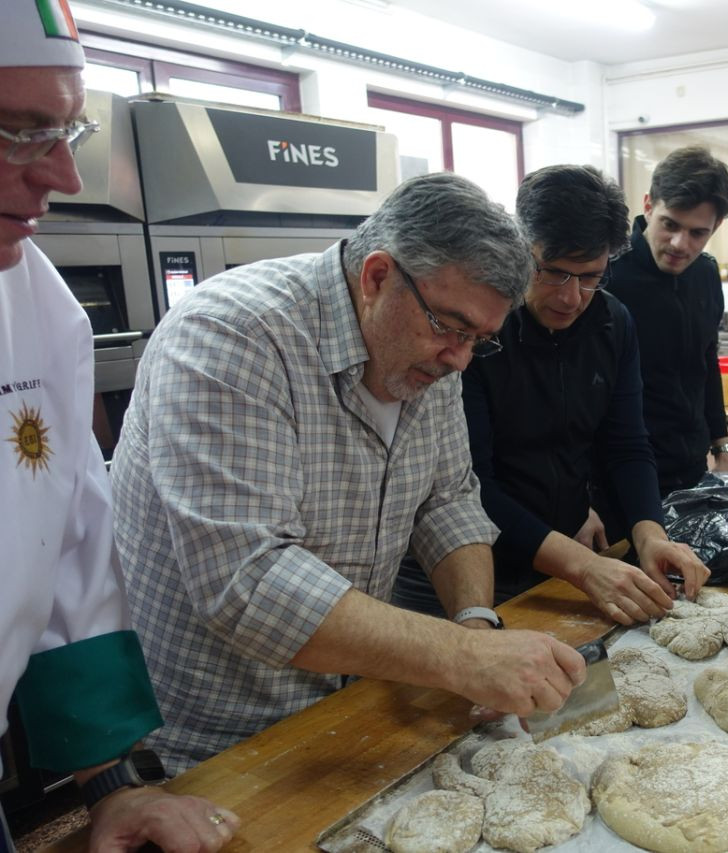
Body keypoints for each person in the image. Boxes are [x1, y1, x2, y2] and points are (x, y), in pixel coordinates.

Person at [110, 172, 586, 773]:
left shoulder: (430, 351)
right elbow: (248, 580)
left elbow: (448, 500)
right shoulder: (234, 336)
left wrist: (474, 621)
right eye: (451, 327)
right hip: (217, 741)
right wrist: (461, 656)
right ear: (377, 277)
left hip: (349, 709)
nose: (461, 359)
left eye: (480, 340)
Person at [0, 2, 239, 849]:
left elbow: (62, 550)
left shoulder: (37, 308)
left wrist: (110, 782)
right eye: (20, 133)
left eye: (68, 131)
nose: (64, 176)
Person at [456, 164, 710, 622]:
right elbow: (469, 485)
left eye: (591, 276)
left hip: (565, 560)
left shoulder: (612, 322)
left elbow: (626, 444)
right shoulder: (480, 327)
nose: (571, 297)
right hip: (474, 566)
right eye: (553, 273)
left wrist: (649, 534)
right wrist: (583, 566)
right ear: (520, 248)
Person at [609, 146, 728, 495]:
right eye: (670, 225)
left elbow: (706, 361)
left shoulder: (706, 273)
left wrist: (722, 447)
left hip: (692, 465)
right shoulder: (608, 277)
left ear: (716, 226)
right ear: (649, 206)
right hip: (622, 474)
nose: (680, 244)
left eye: (698, 233)